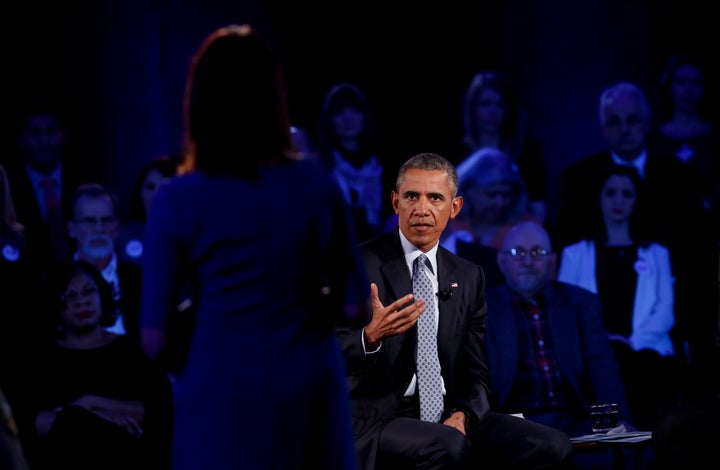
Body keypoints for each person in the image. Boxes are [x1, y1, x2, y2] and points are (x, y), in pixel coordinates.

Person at [139, 24, 369, 470]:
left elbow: (153, 339)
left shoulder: (177, 198)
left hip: (218, 383)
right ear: (273, 98)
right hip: (308, 379)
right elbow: (356, 306)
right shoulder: (316, 183)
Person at [337, 152, 574, 469]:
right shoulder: (358, 265)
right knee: (445, 446)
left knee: (554, 446)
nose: (422, 209)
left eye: (435, 197)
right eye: (412, 197)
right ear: (396, 203)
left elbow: (476, 373)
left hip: (449, 414)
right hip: (380, 417)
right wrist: (370, 336)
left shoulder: (468, 275)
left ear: (455, 207)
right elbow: (324, 351)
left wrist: (463, 415)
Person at [556, 82, 712, 390]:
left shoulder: (680, 177)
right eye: (615, 122)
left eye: (633, 120)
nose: (625, 129)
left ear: (647, 123)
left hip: (669, 324)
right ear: (603, 127)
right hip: (595, 338)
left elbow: (697, 252)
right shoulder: (577, 179)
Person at [10, 260, 174, 470]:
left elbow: (159, 413)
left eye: (89, 291)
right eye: (69, 296)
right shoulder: (39, 358)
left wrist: (90, 402)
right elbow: (32, 423)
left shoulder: (132, 350)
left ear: (102, 295)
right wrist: (92, 415)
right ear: (55, 304)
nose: (82, 302)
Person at [486, 220, 633, 439]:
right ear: (501, 261)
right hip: (513, 423)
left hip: (575, 420)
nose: (527, 261)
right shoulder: (482, 308)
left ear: (552, 261)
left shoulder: (581, 304)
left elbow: (602, 366)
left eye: (537, 252)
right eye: (517, 252)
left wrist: (620, 420)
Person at [557, 164, 677, 430]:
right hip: (593, 352)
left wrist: (630, 342)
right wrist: (606, 341)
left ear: (637, 200)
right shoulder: (574, 254)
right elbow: (566, 310)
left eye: (627, 194)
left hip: (647, 353)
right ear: (599, 198)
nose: (619, 201)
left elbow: (665, 311)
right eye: (611, 193)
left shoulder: (657, 253)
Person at [2, 98, 99, 280]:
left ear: (63, 136)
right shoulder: (9, 186)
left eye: (50, 132)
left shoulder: (85, 179)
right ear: (20, 141)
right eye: (35, 133)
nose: (43, 140)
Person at [447, 70, 549, 223]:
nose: (493, 112)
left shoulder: (527, 151)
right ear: (472, 108)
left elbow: (538, 205)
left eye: (500, 105)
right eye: (486, 104)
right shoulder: (457, 154)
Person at [648, 52, 720, 247]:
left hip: (707, 232)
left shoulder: (715, 138)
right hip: (660, 234)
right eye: (682, 82)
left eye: (696, 83)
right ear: (669, 87)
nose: (689, 89)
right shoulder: (653, 139)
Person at [67, 182, 142, 344]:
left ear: (116, 226)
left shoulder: (141, 280)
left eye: (106, 220)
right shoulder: (56, 282)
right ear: (71, 229)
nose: (99, 229)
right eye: (90, 221)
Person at [317, 81, 389, 242]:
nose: (347, 118)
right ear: (329, 120)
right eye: (339, 112)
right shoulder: (322, 168)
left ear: (365, 115)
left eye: (354, 110)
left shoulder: (384, 163)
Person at [116, 155, 180, 266]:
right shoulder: (123, 237)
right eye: (150, 187)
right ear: (139, 192)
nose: (156, 195)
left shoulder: (194, 239)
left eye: (164, 188)